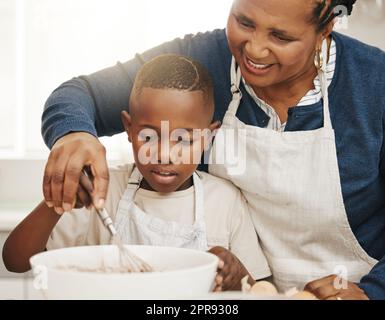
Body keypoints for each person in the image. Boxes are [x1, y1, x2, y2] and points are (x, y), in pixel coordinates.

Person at [39, 0, 385, 299]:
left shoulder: (375, 83)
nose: (254, 49)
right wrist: (73, 135)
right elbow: (77, 95)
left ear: (327, 27)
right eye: (244, 22)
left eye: (281, 36)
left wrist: (373, 290)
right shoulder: (202, 59)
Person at [2, 54, 271, 292]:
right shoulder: (103, 191)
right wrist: (57, 203)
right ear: (129, 129)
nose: (165, 154)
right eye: (148, 136)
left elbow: (262, 288)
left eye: (183, 140)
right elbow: (15, 261)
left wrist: (238, 275)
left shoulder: (225, 201)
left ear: (208, 137)